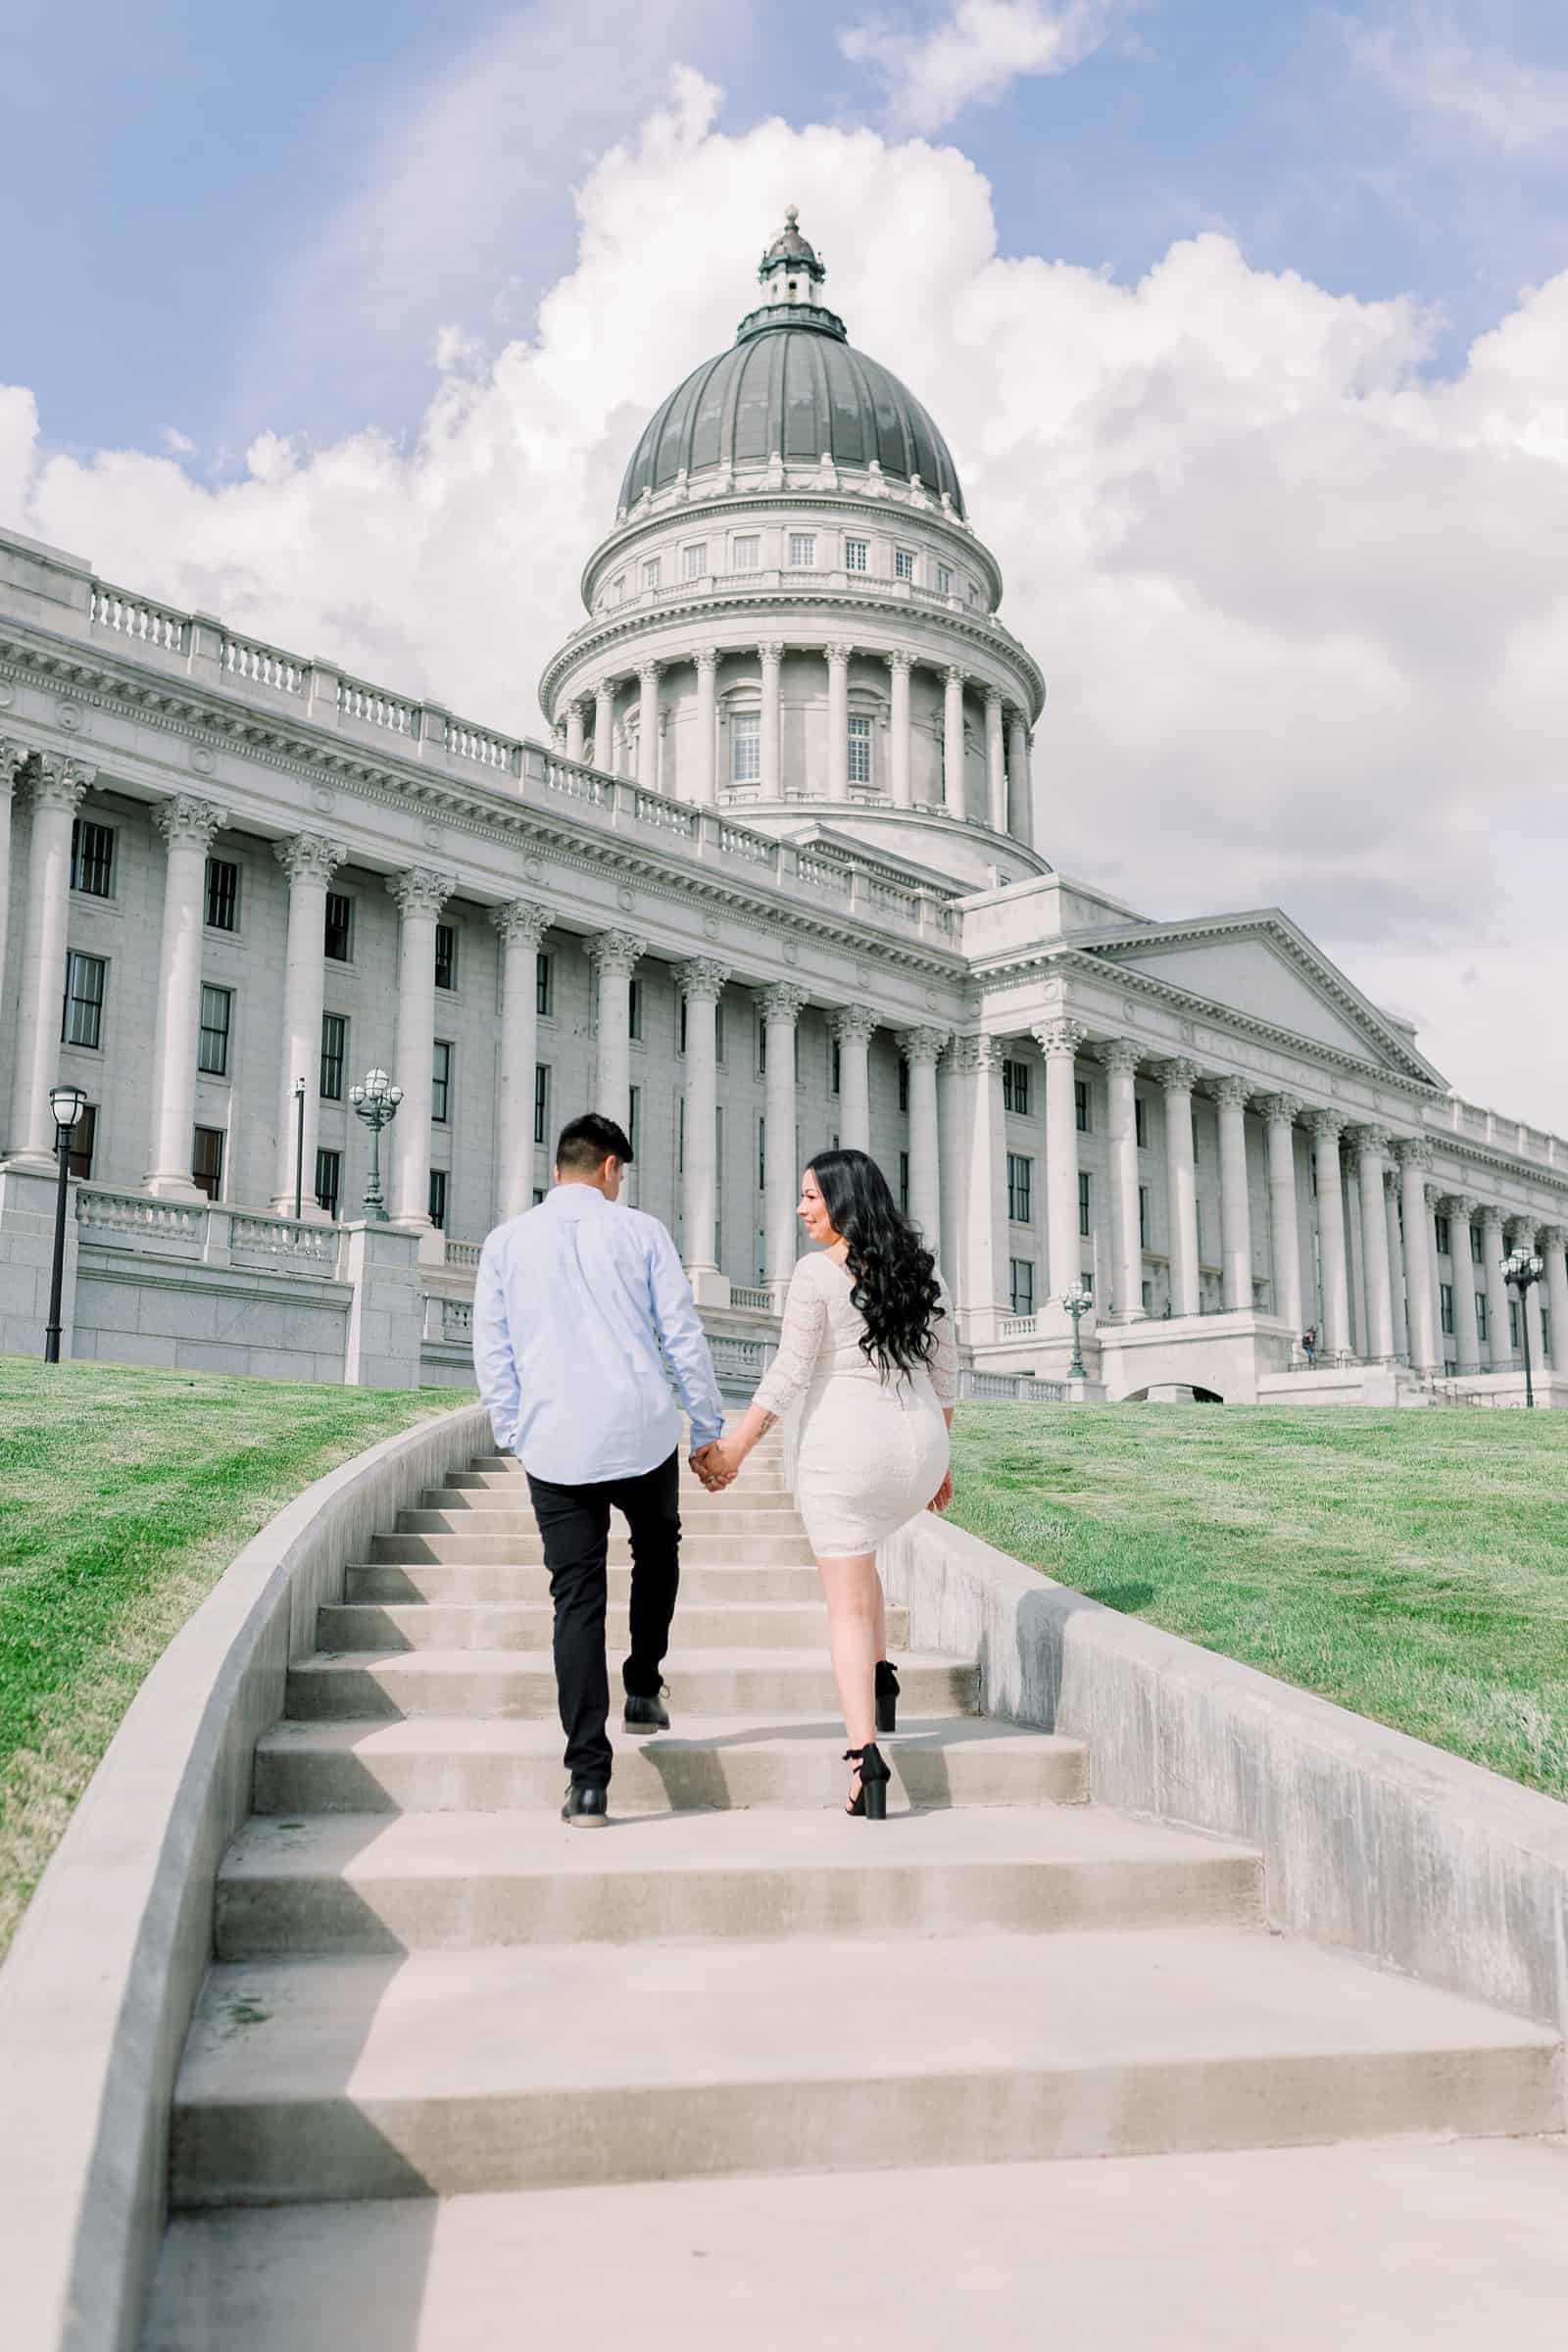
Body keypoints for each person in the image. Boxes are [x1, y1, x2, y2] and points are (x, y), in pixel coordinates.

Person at [471, 1111, 728, 1827]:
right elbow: (682, 1333)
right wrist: (707, 1430)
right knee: (658, 1551)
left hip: (555, 1441)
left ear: (560, 1169)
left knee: (575, 1602)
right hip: (640, 1430)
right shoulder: (642, 1232)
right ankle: (644, 1683)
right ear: (611, 1168)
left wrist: (515, 1430)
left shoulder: (505, 1243)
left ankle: (588, 1780)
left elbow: (492, 1348)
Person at [699, 1148, 956, 1820]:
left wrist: (733, 1450)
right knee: (863, 1552)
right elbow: (946, 1373)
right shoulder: (923, 1271)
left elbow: (788, 1373)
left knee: (843, 1601)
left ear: (843, 1202)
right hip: (919, 1447)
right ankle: (883, 1677)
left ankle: (864, 1758)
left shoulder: (816, 1272)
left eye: (811, 1196)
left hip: (846, 1448)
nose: (800, 1208)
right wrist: (942, 1459)